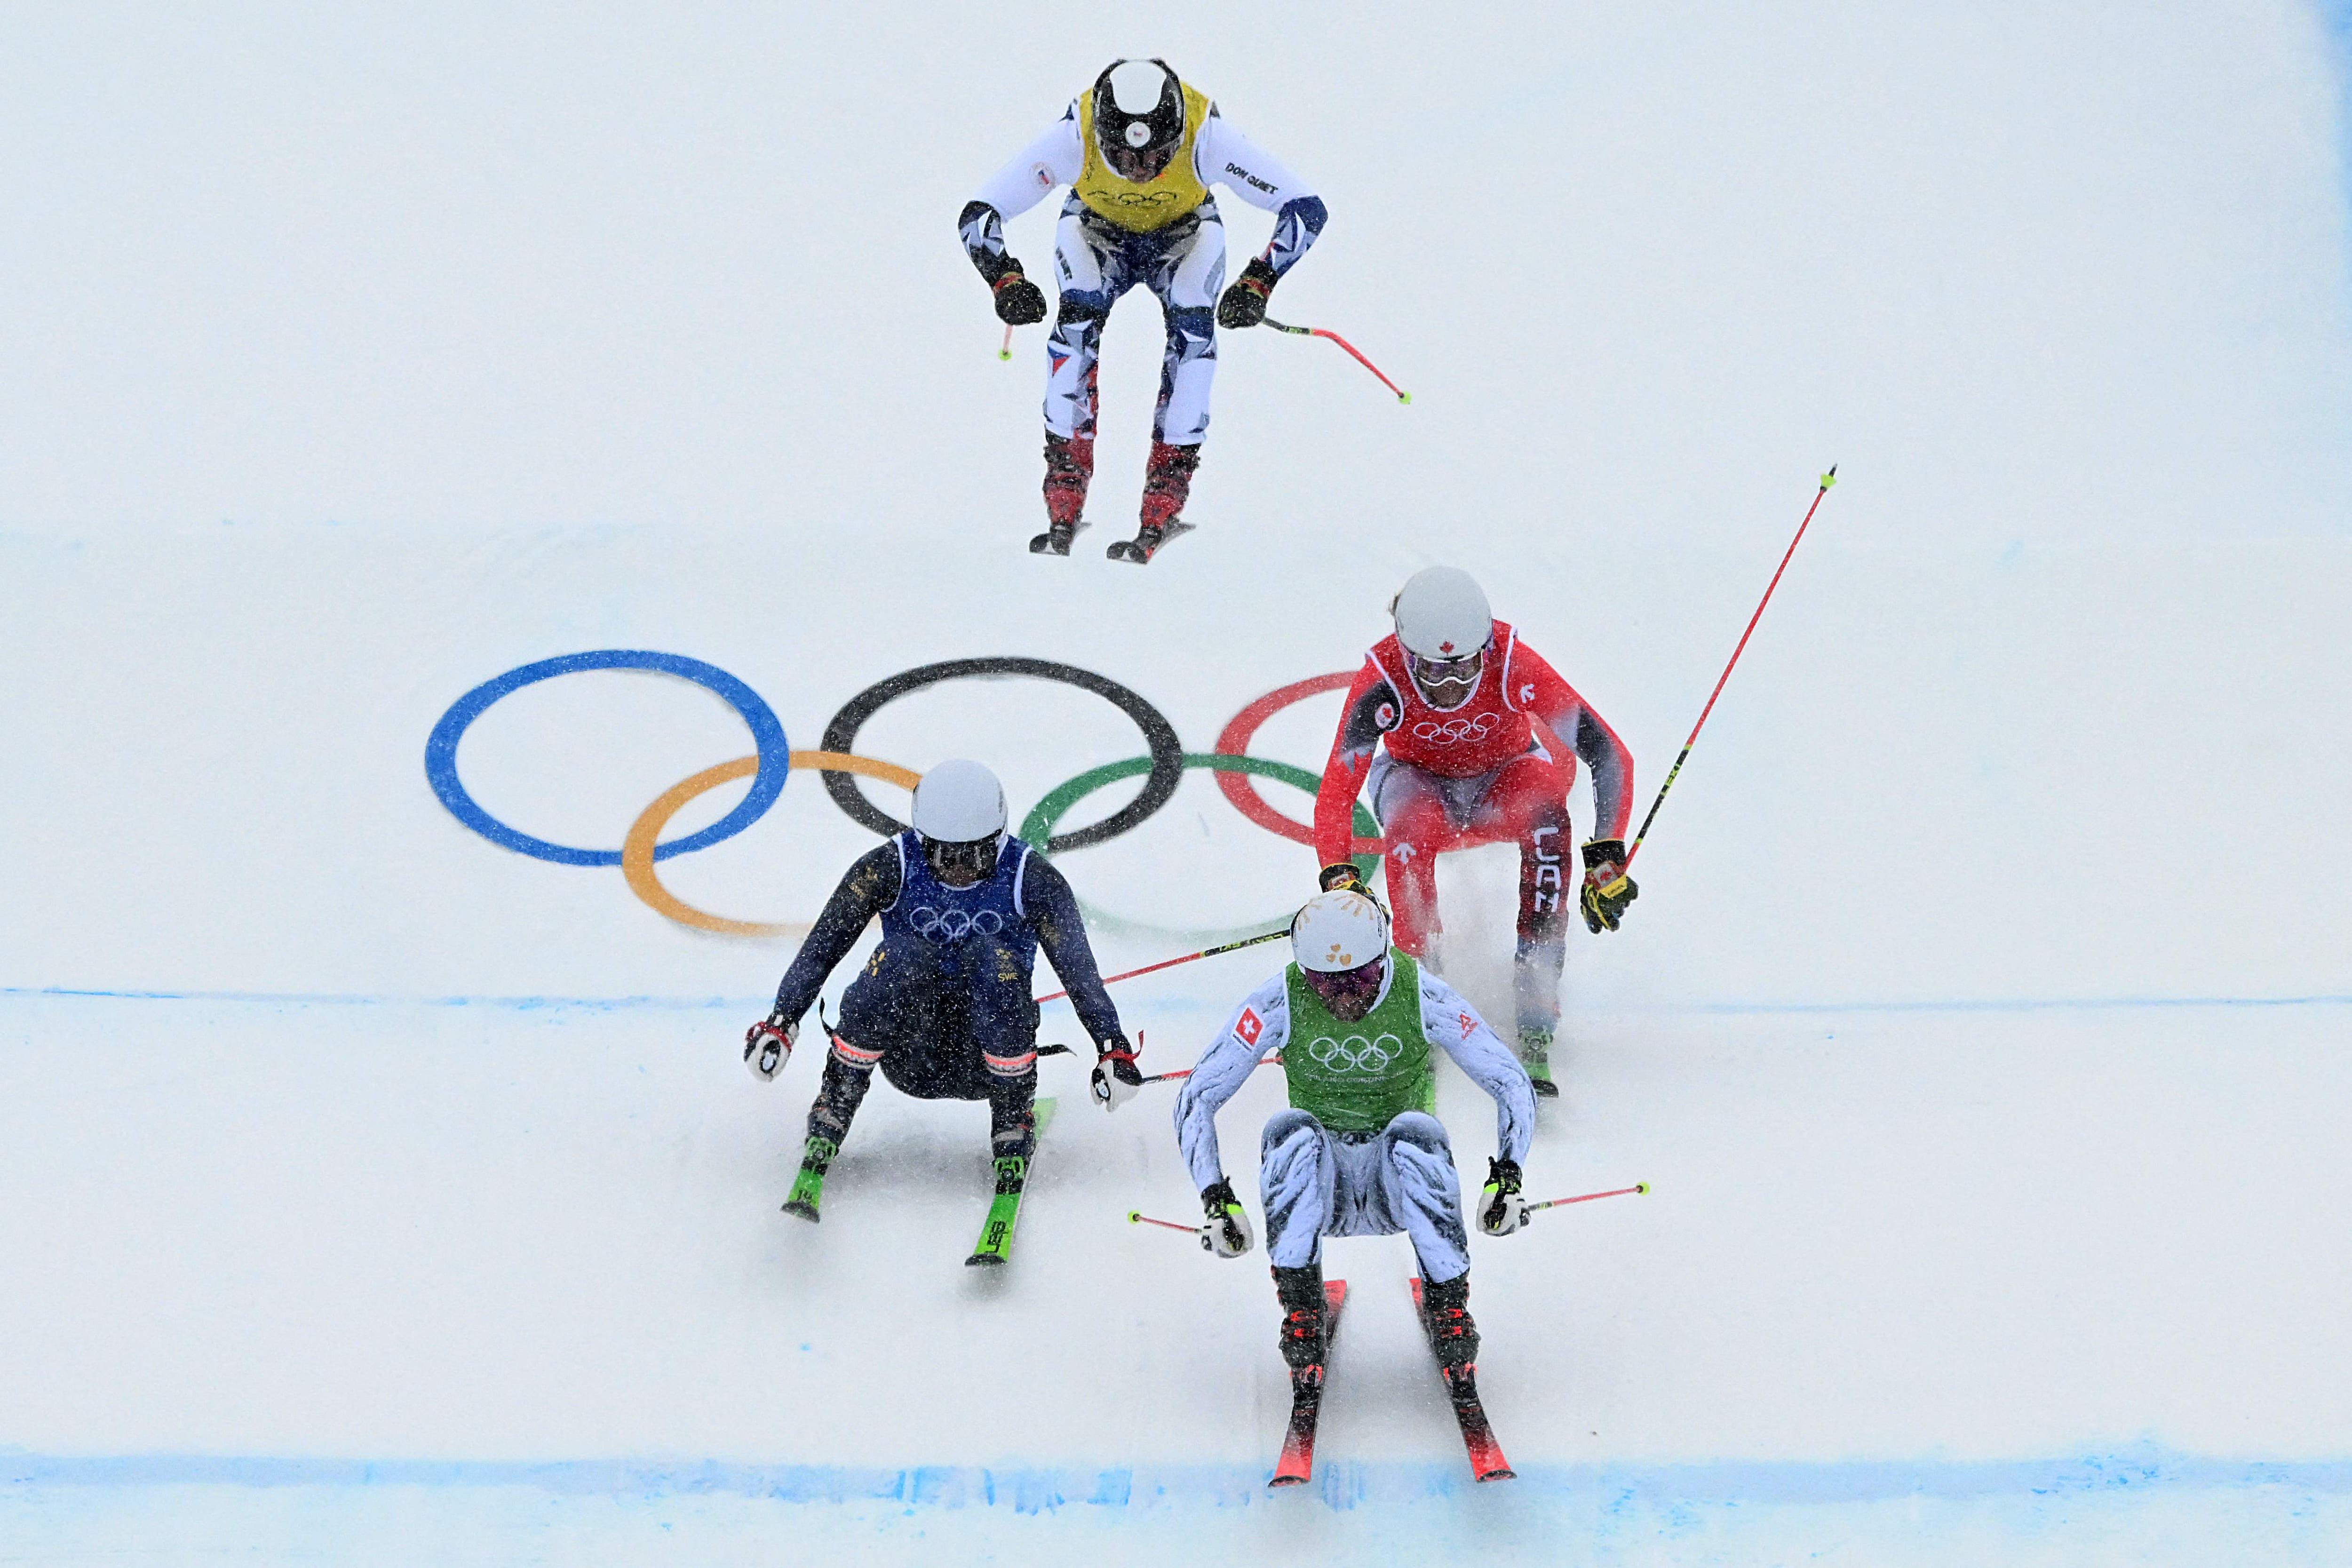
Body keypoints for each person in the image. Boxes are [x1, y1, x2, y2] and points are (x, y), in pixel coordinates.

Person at [1172, 890, 1536, 1408]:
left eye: (1360, 980)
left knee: (1418, 1131)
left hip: (1396, 1181)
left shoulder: (1421, 994)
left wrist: (1508, 1176)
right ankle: (1301, 1308)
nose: (1343, 997)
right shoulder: (1279, 999)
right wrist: (1216, 1199)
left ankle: (1450, 1305)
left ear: (1383, 957)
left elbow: (1509, 1080)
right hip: (1321, 1187)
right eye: (1324, 982)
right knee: (1288, 1131)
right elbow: (1197, 1096)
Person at [958, 57, 1327, 562]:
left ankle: (1164, 498)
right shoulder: (1073, 137)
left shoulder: (1207, 135)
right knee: (1075, 330)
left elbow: (1304, 205)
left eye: (1158, 156)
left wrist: (1258, 281)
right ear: (1098, 136)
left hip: (1184, 232)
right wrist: (1005, 279)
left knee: (1194, 336)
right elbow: (981, 213)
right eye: (1121, 156)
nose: (1139, 171)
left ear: (1178, 133)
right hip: (1095, 229)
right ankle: (1064, 494)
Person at [742, 759, 1142, 1220]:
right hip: (912, 1054)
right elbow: (821, 949)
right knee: (902, 955)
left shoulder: (1033, 880)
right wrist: (781, 1022)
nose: (959, 871)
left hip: (989, 1060)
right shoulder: (887, 867)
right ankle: (835, 1103)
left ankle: (1012, 1119)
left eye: (975, 857)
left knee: (991, 957)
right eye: (943, 857)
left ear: (998, 840)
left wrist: (1112, 1047)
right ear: (921, 841)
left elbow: (1080, 973)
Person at [1310, 567, 1637, 1096]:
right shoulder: (1382, 678)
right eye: (1434, 673)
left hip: (1503, 774)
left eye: (1465, 669)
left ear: (1484, 649)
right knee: (1407, 837)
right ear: (1407, 654)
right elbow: (1335, 793)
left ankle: (1536, 999)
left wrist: (1606, 857)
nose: (1451, 687)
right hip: (1417, 781)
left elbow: (1608, 753)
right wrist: (1340, 877)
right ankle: (1421, 993)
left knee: (1548, 819)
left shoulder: (1511, 661)